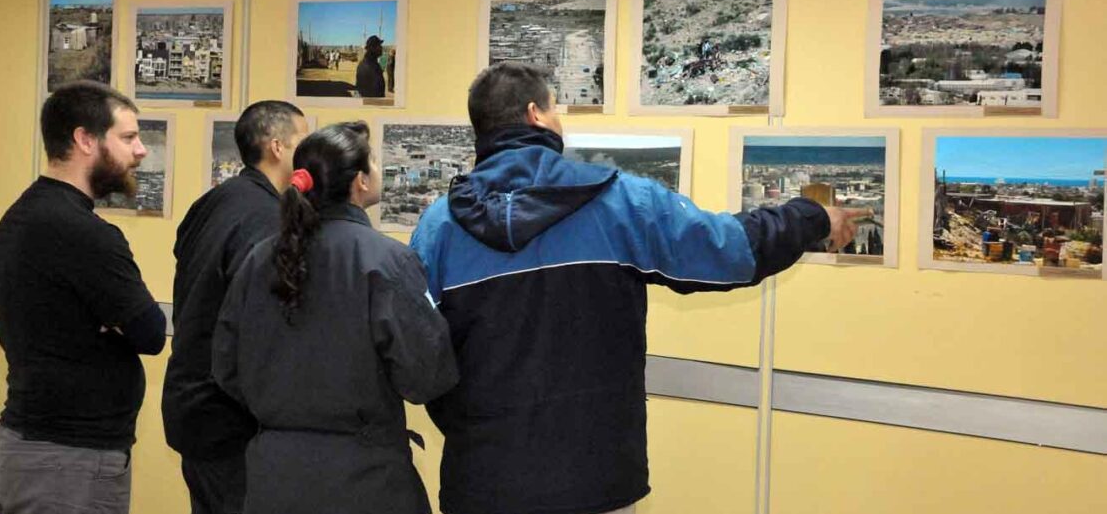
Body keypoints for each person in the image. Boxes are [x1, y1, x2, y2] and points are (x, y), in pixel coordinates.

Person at [410, 62, 871, 514]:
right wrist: (811, 217)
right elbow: (730, 249)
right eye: (554, 110)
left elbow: (422, 364)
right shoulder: (621, 202)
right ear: (536, 115)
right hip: (595, 476)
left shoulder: (436, 228)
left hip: (484, 480)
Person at [212, 122, 459, 514]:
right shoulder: (386, 261)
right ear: (360, 181)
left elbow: (226, 367)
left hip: (273, 477)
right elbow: (427, 376)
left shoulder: (260, 259)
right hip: (365, 478)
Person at [0, 81, 167, 514]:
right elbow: (150, 333)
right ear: (85, 139)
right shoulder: (82, 233)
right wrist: (111, 324)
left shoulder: (24, 214)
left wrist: (107, 322)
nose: (141, 150)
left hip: (38, 453)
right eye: (128, 137)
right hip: (66, 465)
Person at [162, 100, 309, 514]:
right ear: (278, 147)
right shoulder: (268, 219)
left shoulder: (214, 202)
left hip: (192, 407)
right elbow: (259, 322)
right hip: (229, 418)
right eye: (304, 140)